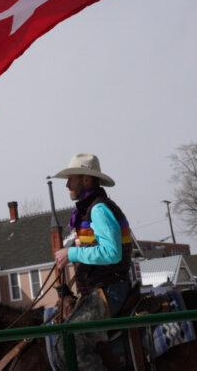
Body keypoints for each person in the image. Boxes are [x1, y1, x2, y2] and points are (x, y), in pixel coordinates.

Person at [51, 154, 134, 369]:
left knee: (68, 340)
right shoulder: (91, 208)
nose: (67, 184)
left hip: (111, 289)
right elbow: (95, 247)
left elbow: (112, 252)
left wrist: (71, 255)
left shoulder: (98, 209)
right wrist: (72, 251)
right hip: (100, 289)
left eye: (71, 178)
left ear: (86, 180)